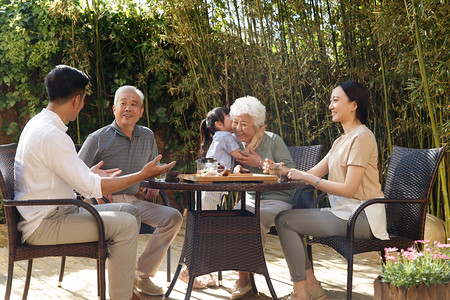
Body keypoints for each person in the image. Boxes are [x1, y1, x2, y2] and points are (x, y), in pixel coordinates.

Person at [14, 65, 175, 300]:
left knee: (130, 211)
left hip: (54, 212)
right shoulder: (52, 135)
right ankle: (123, 296)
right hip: (46, 223)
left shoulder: (40, 125)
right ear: (77, 100)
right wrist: (141, 175)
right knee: (126, 224)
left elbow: (70, 178)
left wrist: (90, 174)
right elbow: (90, 188)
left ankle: (127, 285)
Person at [271, 81, 388, 300]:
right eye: (331, 101)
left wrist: (309, 177)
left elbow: (348, 188)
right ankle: (311, 287)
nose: (330, 106)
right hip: (344, 213)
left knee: (284, 221)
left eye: (335, 100)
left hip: (362, 216)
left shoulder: (362, 137)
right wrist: (277, 169)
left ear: (353, 105)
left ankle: (302, 293)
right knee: (285, 219)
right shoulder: (340, 141)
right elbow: (309, 174)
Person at [78, 85, 183, 296]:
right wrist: (96, 190)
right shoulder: (97, 137)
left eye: (134, 104)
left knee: (173, 217)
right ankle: (123, 287)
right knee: (127, 217)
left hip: (134, 200)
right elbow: (76, 176)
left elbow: (149, 170)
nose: (128, 108)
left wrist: (150, 182)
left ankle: (142, 274)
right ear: (114, 108)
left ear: (141, 112)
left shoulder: (147, 136)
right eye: (123, 103)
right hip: (104, 203)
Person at [227, 96, 296, 300]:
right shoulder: (235, 144)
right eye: (236, 122)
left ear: (258, 126)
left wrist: (259, 163)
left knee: (252, 217)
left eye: (244, 124)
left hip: (277, 199)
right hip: (249, 198)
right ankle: (244, 277)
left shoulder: (273, 140)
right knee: (233, 216)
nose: (238, 128)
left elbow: (290, 170)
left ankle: (246, 279)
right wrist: (235, 170)